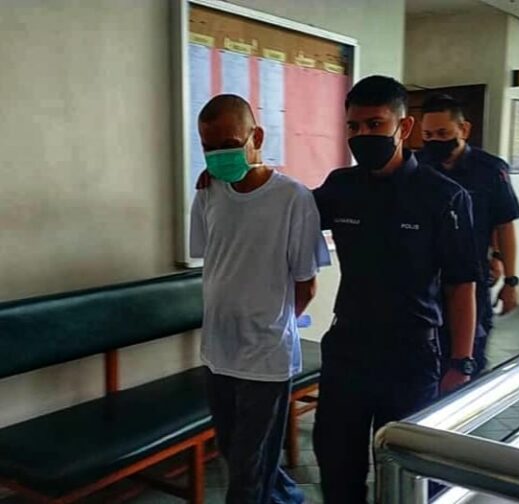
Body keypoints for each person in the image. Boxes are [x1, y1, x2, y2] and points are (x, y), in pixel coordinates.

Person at [311, 76, 481, 504]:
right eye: (354, 127)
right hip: (348, 349)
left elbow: (461, 285)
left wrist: (461, 361)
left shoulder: (443, 197)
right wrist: (235, 180)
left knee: (407, 473)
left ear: (404, 128)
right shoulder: (341, 187)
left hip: (410, 356)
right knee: (336, 464)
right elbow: (285, 211)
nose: (362, 135)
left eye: (375, 124)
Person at [190, 94, 328, 504]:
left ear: (257, 137)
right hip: (218, 350)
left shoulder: (293, 198)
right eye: (209, 147)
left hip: (266, 356)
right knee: (233, 451)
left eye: (229, 144)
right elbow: (214, 262)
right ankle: (287, 498)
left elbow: (306, 284)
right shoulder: (208, 192)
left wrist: (272, 323)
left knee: (248, 470)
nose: (219, 155)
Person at [418, 93, 519, 374]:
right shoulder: (417, 166)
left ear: (463, 129)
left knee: (468, 359)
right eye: (428, 135)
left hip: (472, 280)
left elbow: (504, 224)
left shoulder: (490, 170)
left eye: (443, 133)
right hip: (424, 281)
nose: (435, 141)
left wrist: (510, 280)